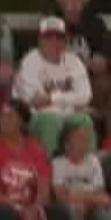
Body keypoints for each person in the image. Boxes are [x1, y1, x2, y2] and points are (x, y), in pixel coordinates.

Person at [54, 0, 111, 147]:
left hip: (91, 83)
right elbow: (47, 59)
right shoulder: (52, 24)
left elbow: (104, 60)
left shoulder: (95, 24)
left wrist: (90, 63)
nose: (73, 0)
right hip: (61, 85)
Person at [15, 16, 93, 154]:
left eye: (59, 38)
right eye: (48, 38)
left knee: (84, 120)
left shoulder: (74, 61)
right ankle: (49, 168)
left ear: (66, 40)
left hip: (67, 114)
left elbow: (86, 95)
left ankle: (88, 169)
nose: (54, 42)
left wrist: (51, 99)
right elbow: (33, 101)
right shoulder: (29, 62)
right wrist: (72, 101)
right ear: (39, 40)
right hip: (35, 119)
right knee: (50, 119)